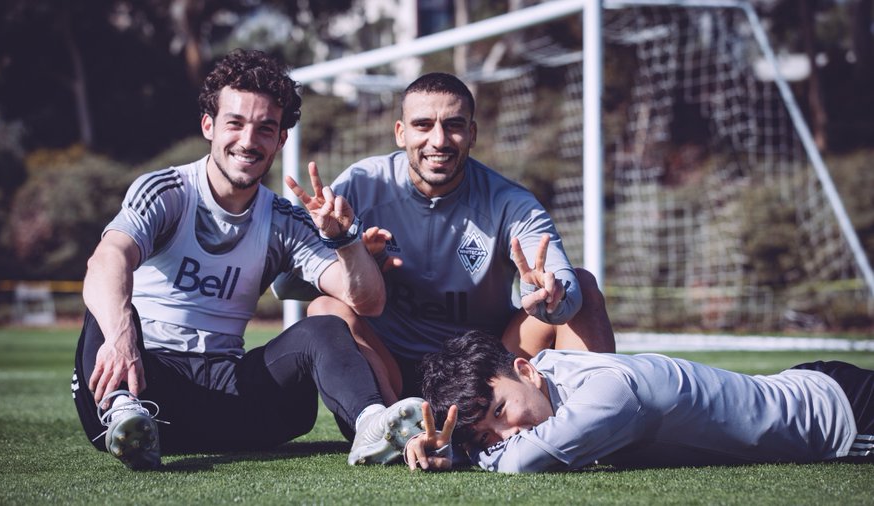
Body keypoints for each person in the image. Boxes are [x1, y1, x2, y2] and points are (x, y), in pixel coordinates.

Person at [71, 49, 426, 470]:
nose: (248, 140)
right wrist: (121, 338)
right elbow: (107, 258)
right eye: (235, 123)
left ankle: (371, 426)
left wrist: (344, 240)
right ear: (209, 125)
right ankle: (128, 418)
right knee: (111, 300)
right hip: (141, 379)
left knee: (324, 325)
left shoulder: (284, 221)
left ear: (281, 140)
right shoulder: (168, 191)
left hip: (226, 395)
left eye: (265, 128)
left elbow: (368, 302)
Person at [276, 72, 616, 406]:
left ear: (472, 133)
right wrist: (353, 257)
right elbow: (288, 286)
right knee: (325, 309)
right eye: (423, 125)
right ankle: (386, 427)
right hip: (390, 372)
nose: (439, 140)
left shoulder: (510, 202)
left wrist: (550, 297)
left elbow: (565, 285)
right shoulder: (362, 184)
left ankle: (592, 423)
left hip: (486, 376)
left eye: (453, 125)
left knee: (584, 286)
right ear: (401, 133)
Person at [404, 331, 874, 473]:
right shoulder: (547, 377)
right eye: (488, 436)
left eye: (501, 412)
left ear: (525, 370)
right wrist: (451, 447)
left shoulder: (611, 394)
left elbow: (521, 462)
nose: (509, 434)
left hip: (845, 417)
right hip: (803, 384)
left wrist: (468, 456)